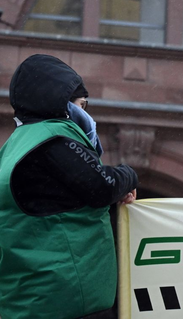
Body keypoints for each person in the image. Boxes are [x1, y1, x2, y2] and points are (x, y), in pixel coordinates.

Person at [0, 54, 138, 319]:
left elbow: (54, 200)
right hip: (67, 297)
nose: (85, 114)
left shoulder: (15, 144)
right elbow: (102, 186)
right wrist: (128, 175)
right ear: (61, 102)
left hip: (28, 296)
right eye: (81, 104)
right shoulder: (53, 138)